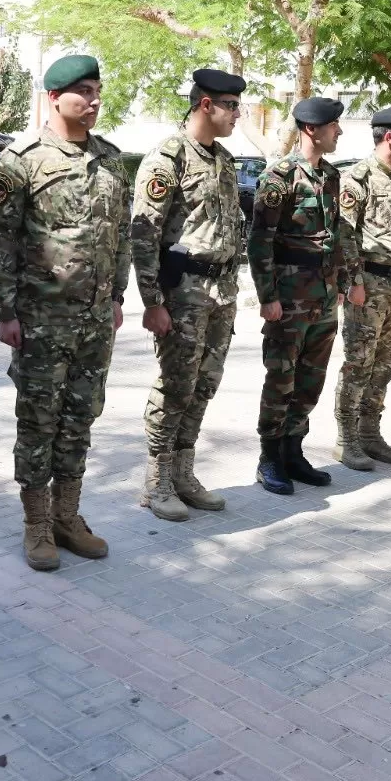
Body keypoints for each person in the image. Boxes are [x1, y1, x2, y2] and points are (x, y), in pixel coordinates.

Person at [0, 55, 130, 570]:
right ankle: (37, 525)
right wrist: (6, 310)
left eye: (96, 91)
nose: (93, 101)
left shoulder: (111, 159)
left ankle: (68, 516)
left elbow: (121, 234)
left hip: (95, 318)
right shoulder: (20, 160)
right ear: (54, 97)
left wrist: (117, 297)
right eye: (83, 92)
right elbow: (1, 239)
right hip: (42, 319)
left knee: (80, 417)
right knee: (38, 421)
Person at [130, 69, 245, 521]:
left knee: (205, 383)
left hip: (222, 290)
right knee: (175, 384)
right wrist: (152, 302)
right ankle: (156, 480)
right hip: (184, 293)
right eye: (231, 106)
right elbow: (144, 235)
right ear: (205, 105)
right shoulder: (168, 158)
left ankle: (183, 472)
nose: (237, 114)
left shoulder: (225, 160)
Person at [248, 96, 359, 494]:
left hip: (324, 296)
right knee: (281, 377)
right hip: (290, 297)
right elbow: (260, 241)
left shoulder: (331, 175)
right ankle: (269, 457)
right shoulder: (279, 177)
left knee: (311, 377)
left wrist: (341, 283)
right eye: (333, 125)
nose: (339, 131)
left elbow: (337, 235)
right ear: (311, 129)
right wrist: (267, 296)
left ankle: (293, 451)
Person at [334, 104, 391, 470]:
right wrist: (353, 282)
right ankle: (346, 438)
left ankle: (370, 432)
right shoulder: (358, 177)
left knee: (386, 363)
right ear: (389, 136)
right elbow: (345, 235)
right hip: (368, 284)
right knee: (358, 363)